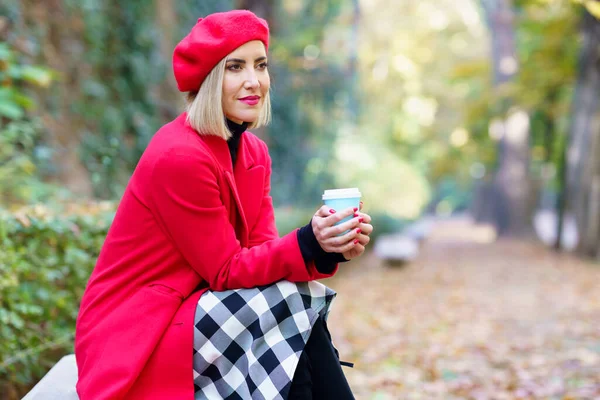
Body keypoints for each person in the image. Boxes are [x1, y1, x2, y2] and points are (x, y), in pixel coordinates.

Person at [74, 9, 373, 400]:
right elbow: (226, 269)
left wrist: (329, 244)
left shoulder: (254, 153)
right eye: (235, 67)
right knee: (293, 300)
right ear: (209, 79)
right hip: (136, 335)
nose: (254, 81)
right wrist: (307, 242)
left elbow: (263, 256)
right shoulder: (178, 154)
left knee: (293, 297)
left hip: (194, 317)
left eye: (261, 65)